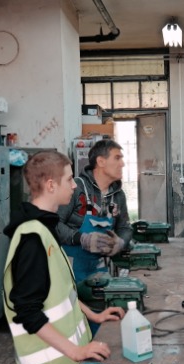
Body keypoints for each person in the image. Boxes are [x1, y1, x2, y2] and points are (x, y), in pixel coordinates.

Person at [3, 151, 124, 364]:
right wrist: (75, 351)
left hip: (66, 362)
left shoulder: (45, 227)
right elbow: (28, 311)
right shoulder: (32, 237)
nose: (73, 186)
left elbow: (61, 293)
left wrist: (94, 315)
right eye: (69, 180)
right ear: (51, 185)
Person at [56, 139, 131, 334]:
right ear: (101, 161)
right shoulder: (76, 188)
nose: (123, 163)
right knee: (72, 325)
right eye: (118, 157)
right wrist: (80, 238)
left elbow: (125, 227)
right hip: (70, 271)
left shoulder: (118, 195)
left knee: (101, 325)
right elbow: (53, 223)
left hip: (98, 272)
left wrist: (120, 242)